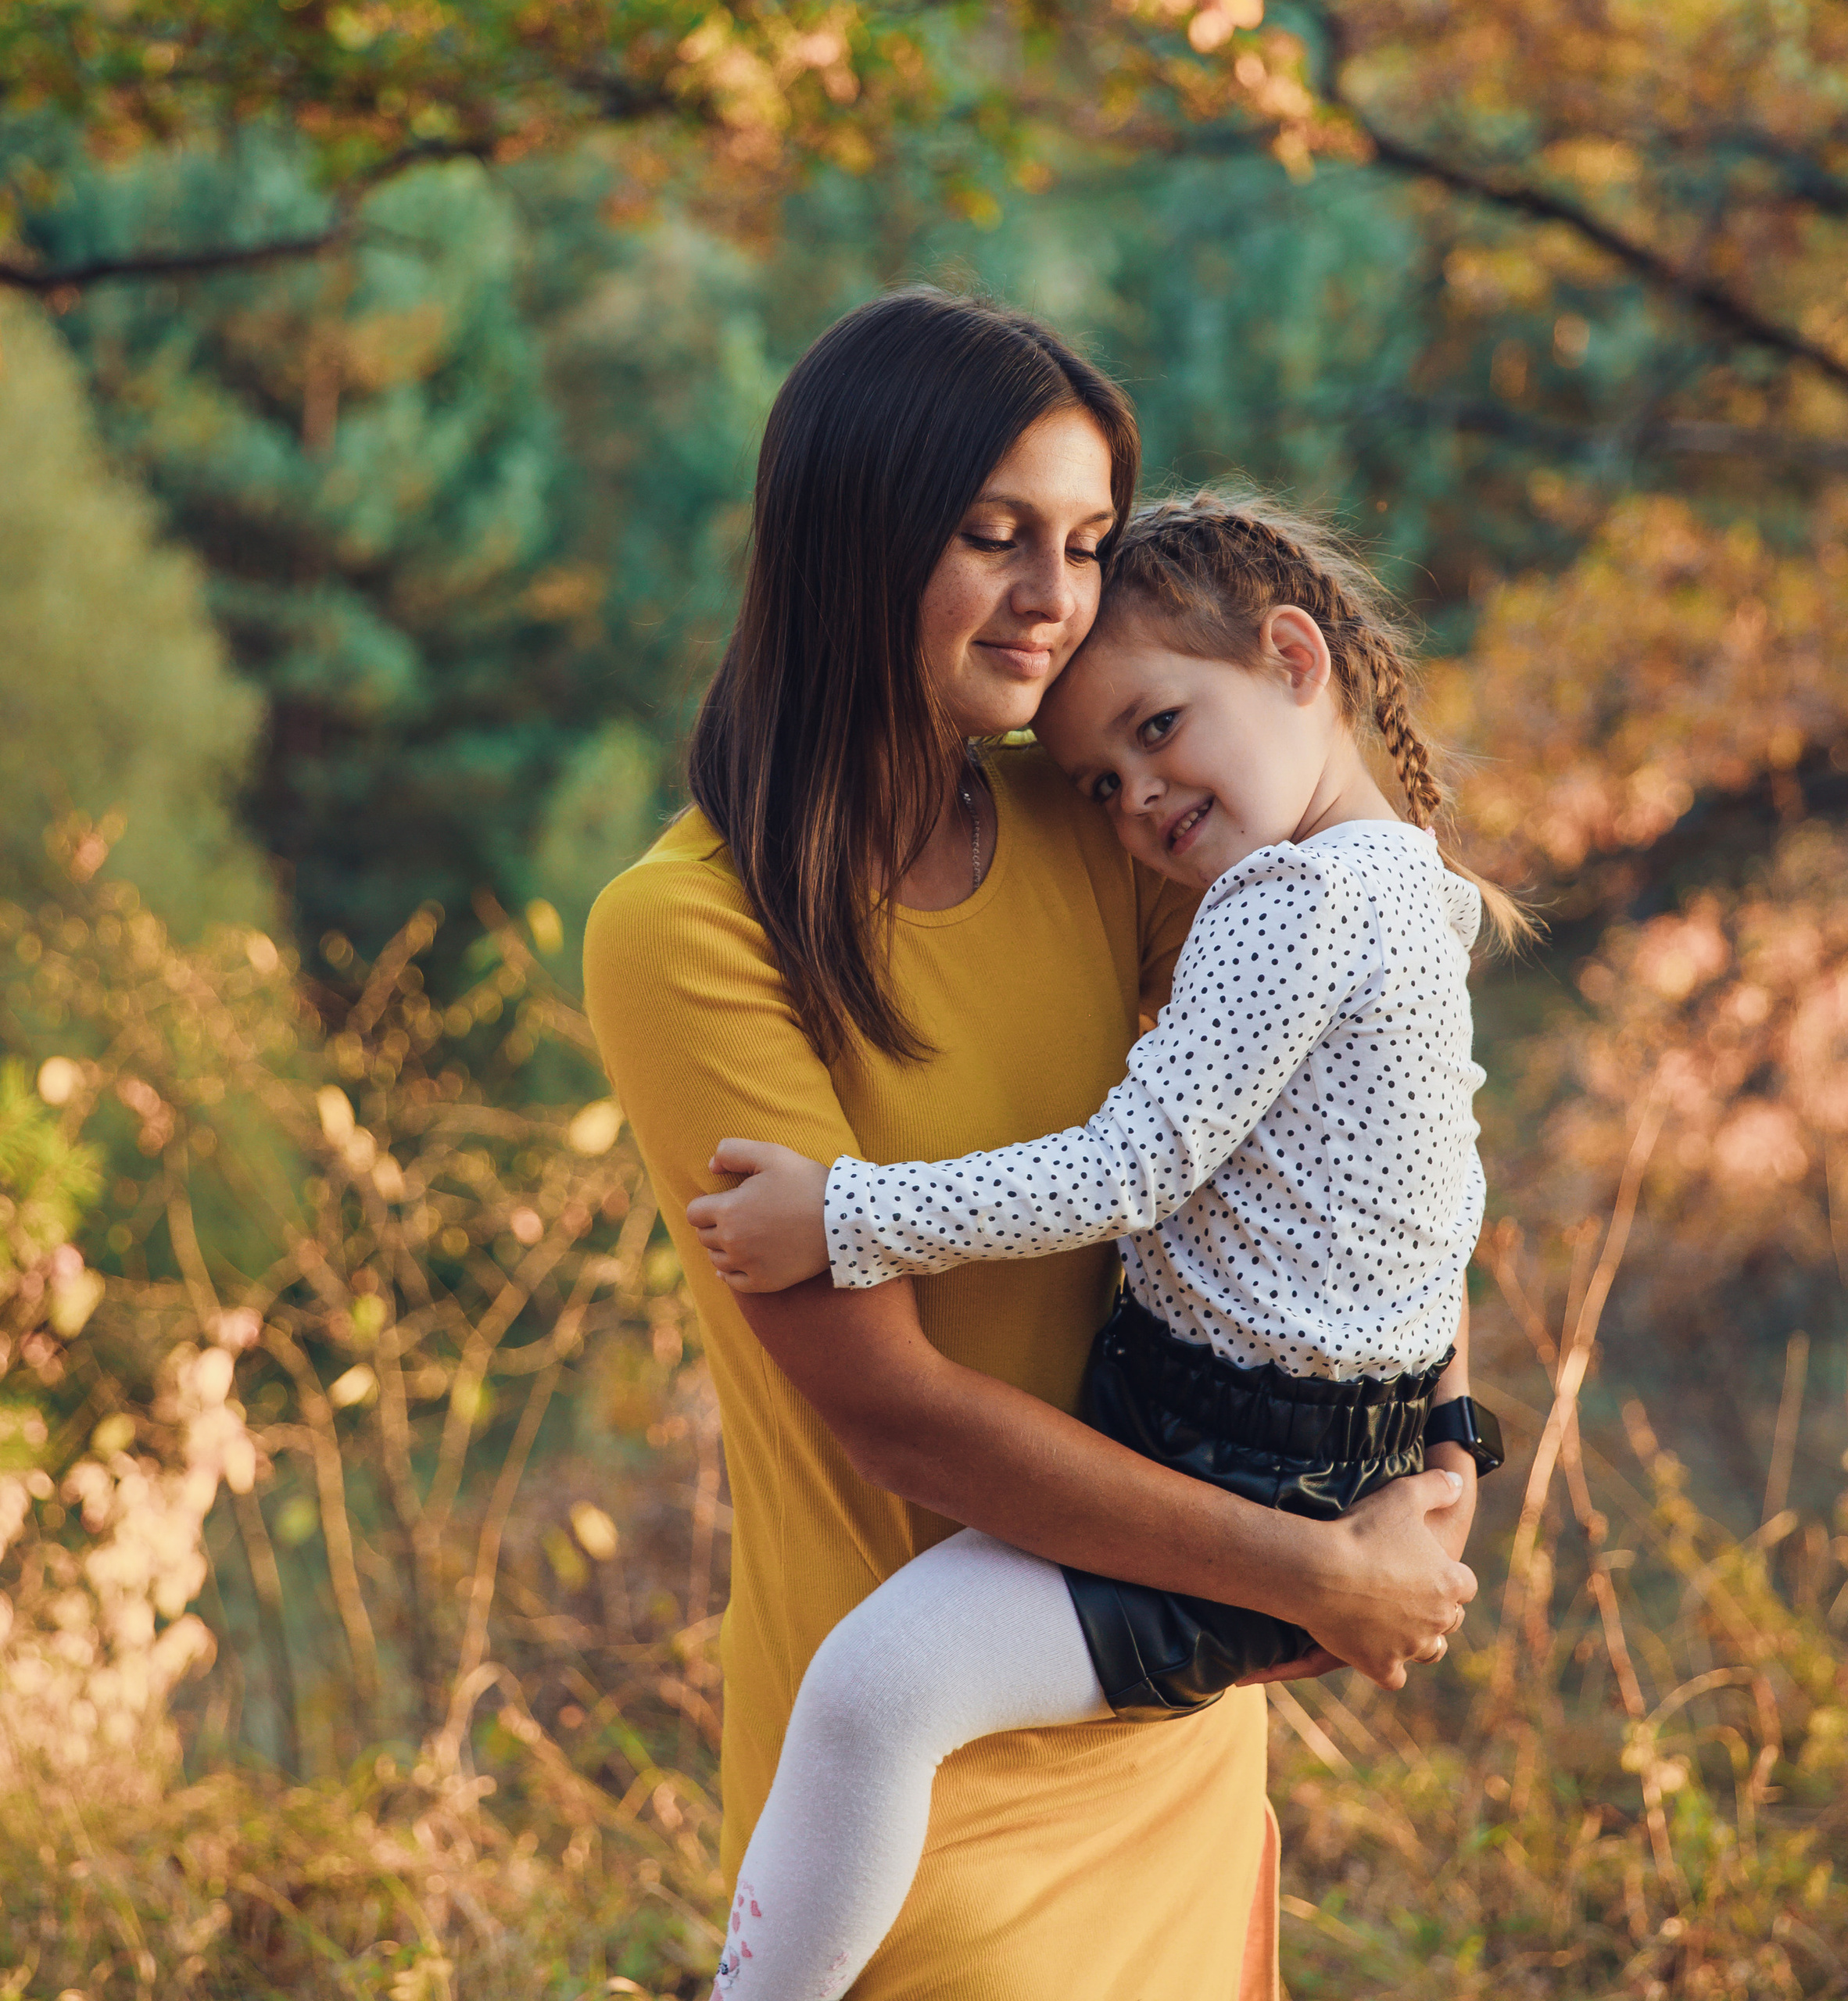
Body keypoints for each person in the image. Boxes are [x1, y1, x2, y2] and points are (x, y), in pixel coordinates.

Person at [585, 293, 1477, 2001]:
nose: (1051, 597)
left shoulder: (1106, 834)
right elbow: (893, 1406)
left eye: (1077, 543)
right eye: (994, 537)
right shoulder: (689, 930)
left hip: (1164, 1729)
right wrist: (1316, 1576)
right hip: (910, 1780)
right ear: (852, 534)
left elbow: (1366, 1122)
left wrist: (1426, 1440)